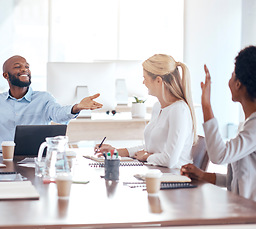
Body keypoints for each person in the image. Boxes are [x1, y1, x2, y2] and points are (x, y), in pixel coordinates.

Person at [0, 55, 103, 150]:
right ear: (6, 75)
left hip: (36, 161)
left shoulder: (44, 98)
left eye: (27, 66)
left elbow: (58, 114)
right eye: (17, 67)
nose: (24, 69)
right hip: (5, 161)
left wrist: (76, 107)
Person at [181, 46, 256, 201]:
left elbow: (219, 155)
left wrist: (206, 105)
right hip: (241, 209)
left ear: (238, 84)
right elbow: (236, 179)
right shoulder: (249, 125)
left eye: (232, 75)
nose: (228, 81)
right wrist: (203, 175)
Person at [96, 54, 197, 169]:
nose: (143, 82)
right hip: (157, 172)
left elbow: (169, 160)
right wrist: (116, 151)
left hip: (174, 177)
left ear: (158, 81)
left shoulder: (179, 110)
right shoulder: (158, 107)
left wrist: (147, 157)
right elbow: (149, 149)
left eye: (145, 78)